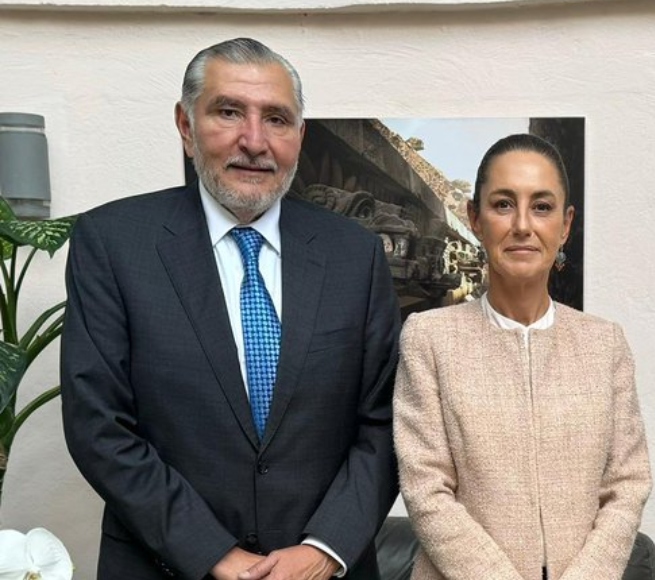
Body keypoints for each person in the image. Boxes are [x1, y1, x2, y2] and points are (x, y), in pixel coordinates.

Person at [60, 38, 400, 580]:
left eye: (277, 119)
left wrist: (323, 551)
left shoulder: (355, 254)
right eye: (228, 112)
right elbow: (98, 425)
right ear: (186, 126)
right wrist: (212, 553)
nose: (254, 141)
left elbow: (385, 422)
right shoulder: (112, 243)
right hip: (165, 567)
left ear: (299, 137)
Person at [394, 133, 652, 580]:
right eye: (503, 204)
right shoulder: (429, 338)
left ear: (565, 225)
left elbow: (627, 484)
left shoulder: (604, 343)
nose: (522, 225)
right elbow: (426, 489)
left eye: (542, 206)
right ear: (475, 218)